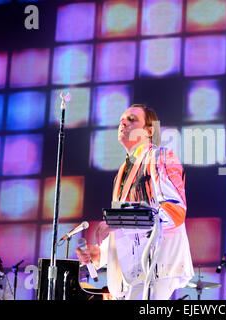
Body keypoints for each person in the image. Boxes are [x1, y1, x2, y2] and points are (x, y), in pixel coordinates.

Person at [76, 104, 194, 300]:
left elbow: (175, 211)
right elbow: (122, 230)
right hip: (133, 272)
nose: (123, 122)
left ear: (149, 130)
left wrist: (119, 221)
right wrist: (101, 254)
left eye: (131, 119)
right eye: (122, 119)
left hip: (157, 265)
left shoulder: (161, 157)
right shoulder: (122, 171)